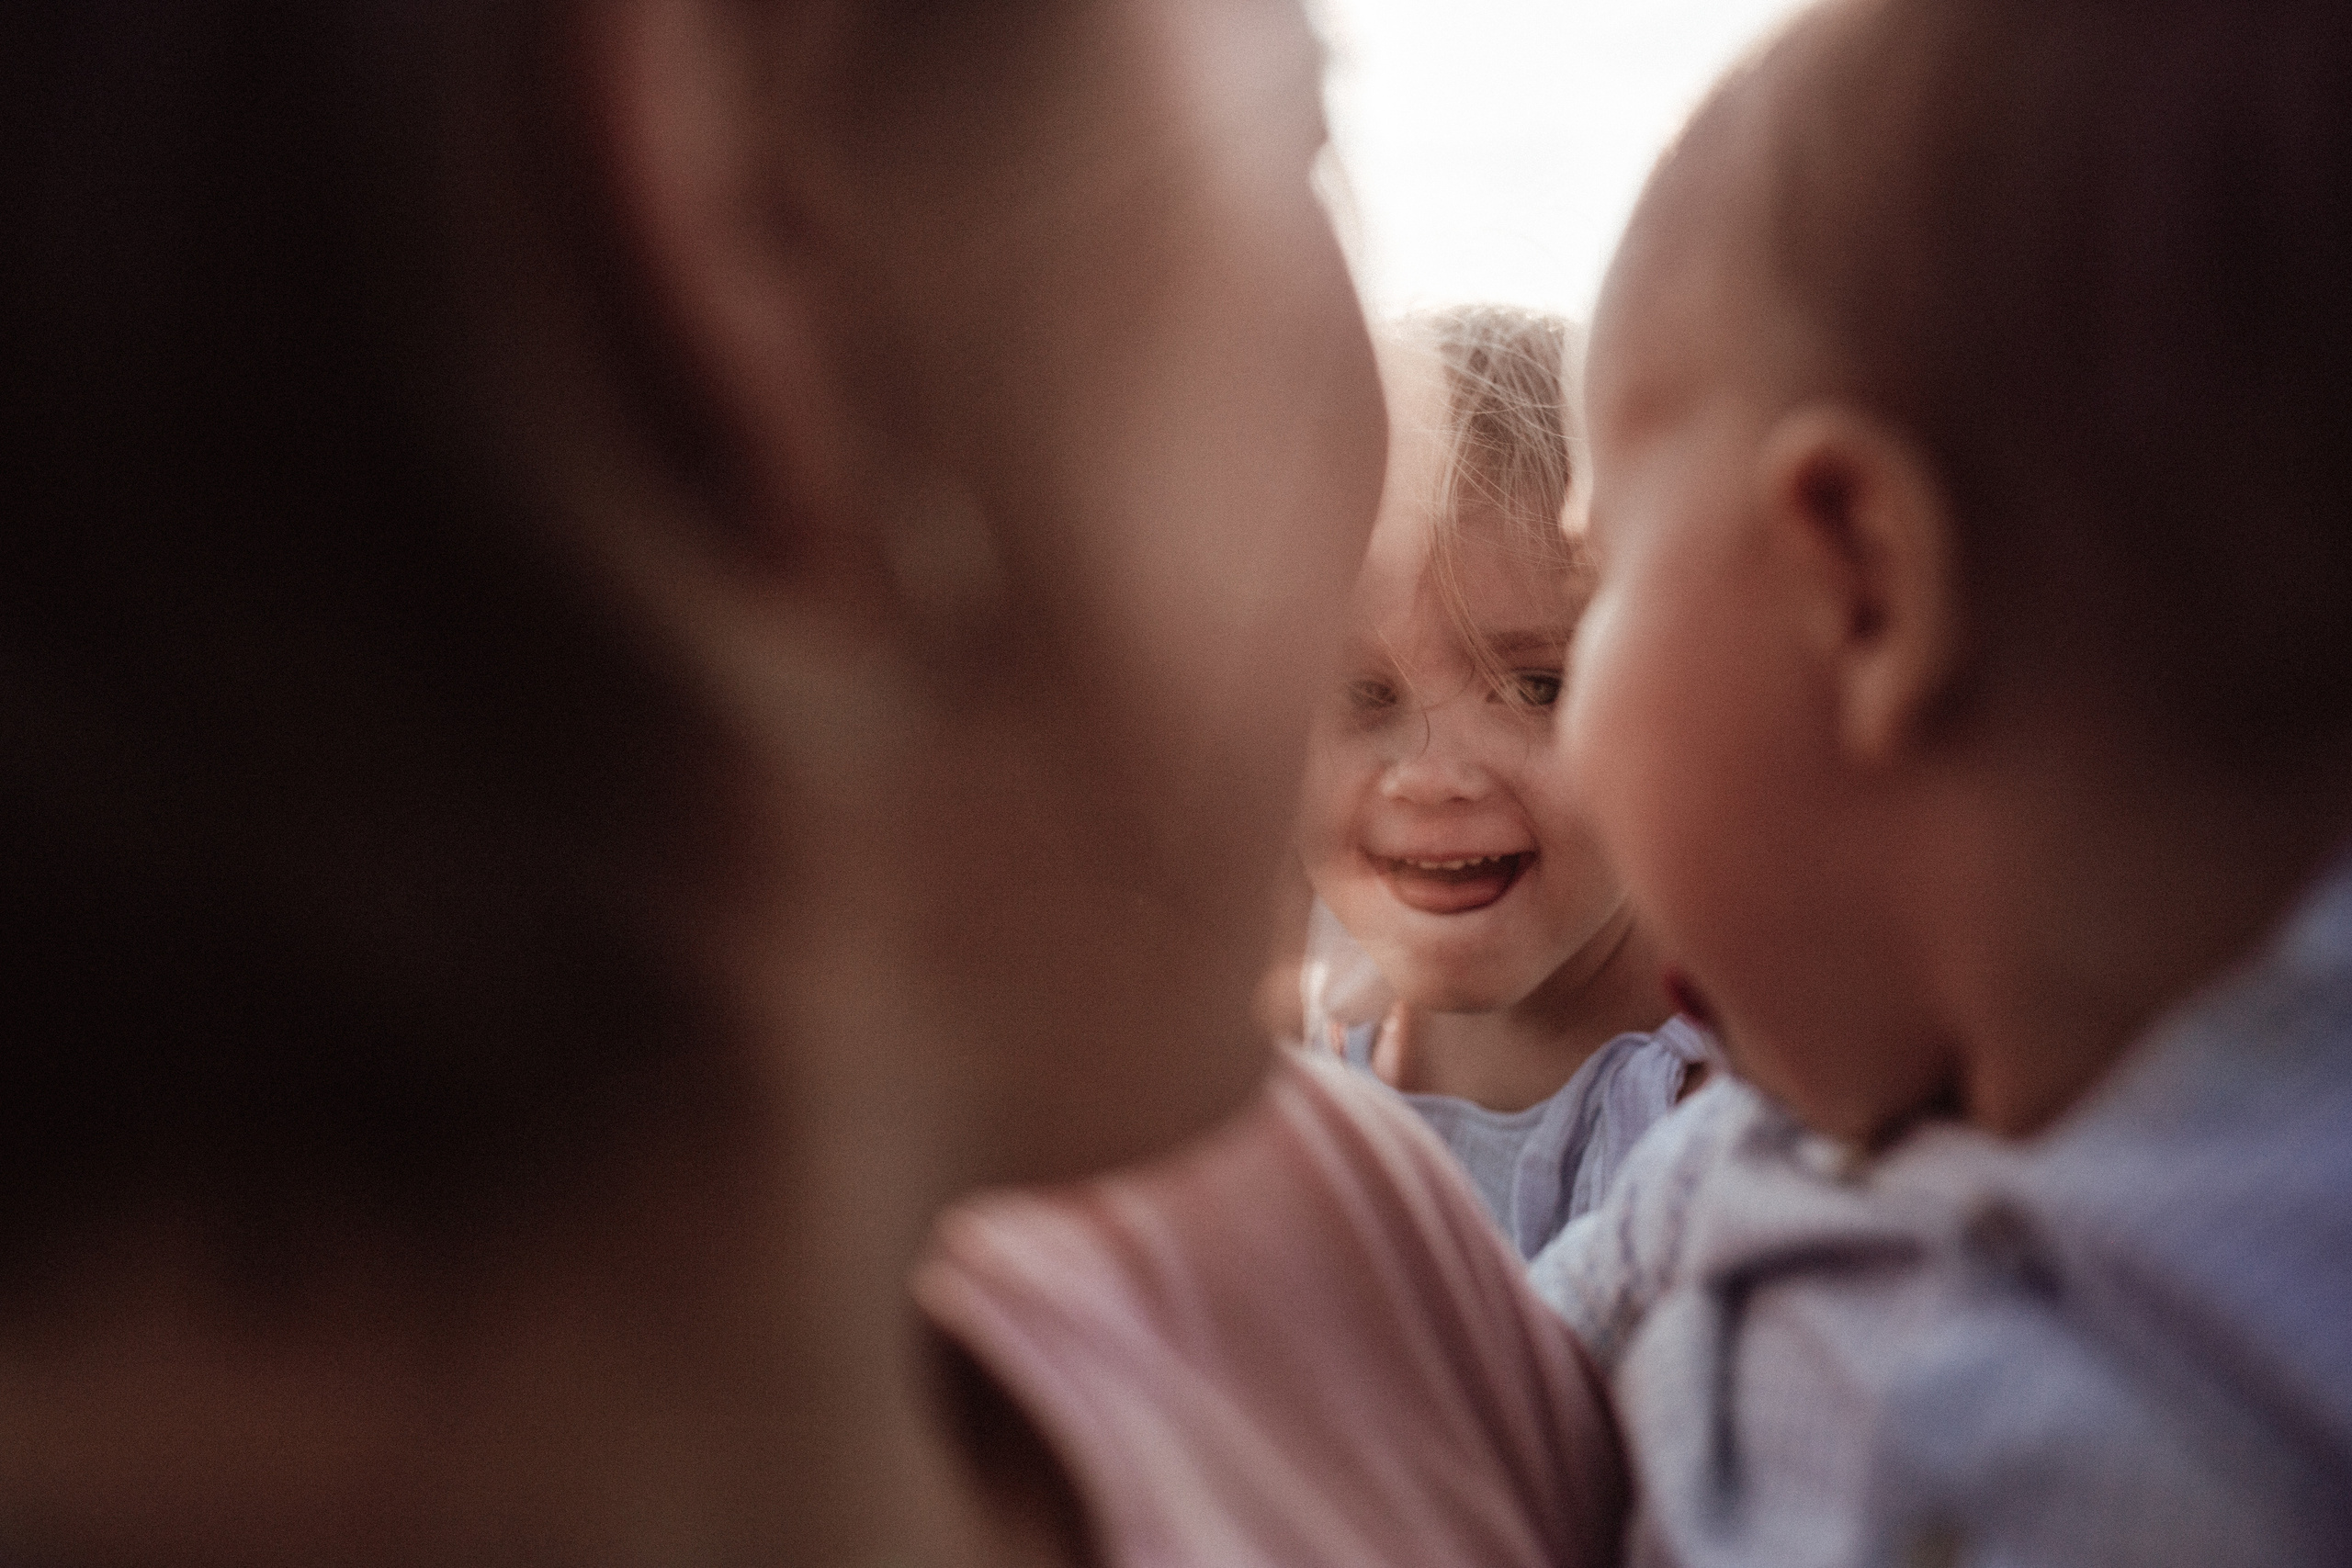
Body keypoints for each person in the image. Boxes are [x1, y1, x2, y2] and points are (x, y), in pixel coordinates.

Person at [2, 0, 1624, 1562]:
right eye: (1300, 125)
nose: (1369, 487)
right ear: (753, 210)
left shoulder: (1348, 1254)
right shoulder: (1308, 1308)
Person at [1534, 0, 2352, 1561]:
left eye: (1605, 574)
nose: (1573, 732)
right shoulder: (1726, 1164)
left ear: (1856, 580)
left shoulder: (2258, 1383)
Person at [1296, 306, 1708, 1260]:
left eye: (1536, 687)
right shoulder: (1297, 1035)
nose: (1431, 778)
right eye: (1363, 691)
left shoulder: (1714, 1120)